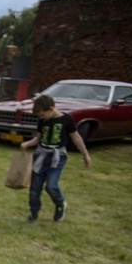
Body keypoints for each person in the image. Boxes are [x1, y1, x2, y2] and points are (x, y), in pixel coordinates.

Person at [19, 94, 91, 223]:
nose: (41, 118)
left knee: (51, 186)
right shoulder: (42, 121)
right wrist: (28, 143)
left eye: (42, 115)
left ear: (51, 108)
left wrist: (85, 154)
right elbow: (38, 138)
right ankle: (33, 215)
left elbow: (76, 137)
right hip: (41, 156)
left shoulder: (67, 119)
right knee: (35, 189)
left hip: (57, 157)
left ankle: (60, 204)